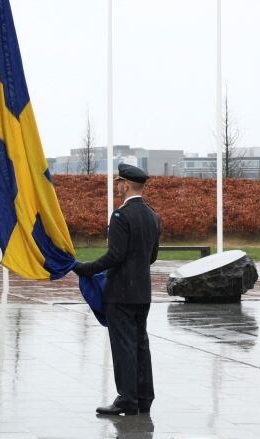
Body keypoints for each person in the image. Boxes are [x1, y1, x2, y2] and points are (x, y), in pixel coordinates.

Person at [73, 163, 161, 416]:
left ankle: (126, 399)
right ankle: (144, 398)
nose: (117, 187)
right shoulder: (153, 216)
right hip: (142, 292)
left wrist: (85, 269)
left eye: (118, 183)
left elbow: (115, 255)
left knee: (123, 346)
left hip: (120, 293)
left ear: (126, 185)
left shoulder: (121, 216)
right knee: (141, 345)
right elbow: (152, 257)